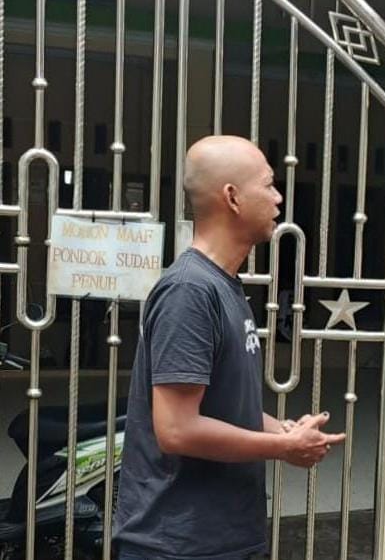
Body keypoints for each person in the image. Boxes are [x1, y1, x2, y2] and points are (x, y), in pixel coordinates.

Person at [112, 136, 345, 559]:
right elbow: (177, 429)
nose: (278, 198)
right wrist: (285, 448)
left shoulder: (223, 286)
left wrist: (283, 430)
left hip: (222, 536)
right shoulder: (190, 291)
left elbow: (221, 407)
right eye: (269, 185)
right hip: (180, 545)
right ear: (232, 197)